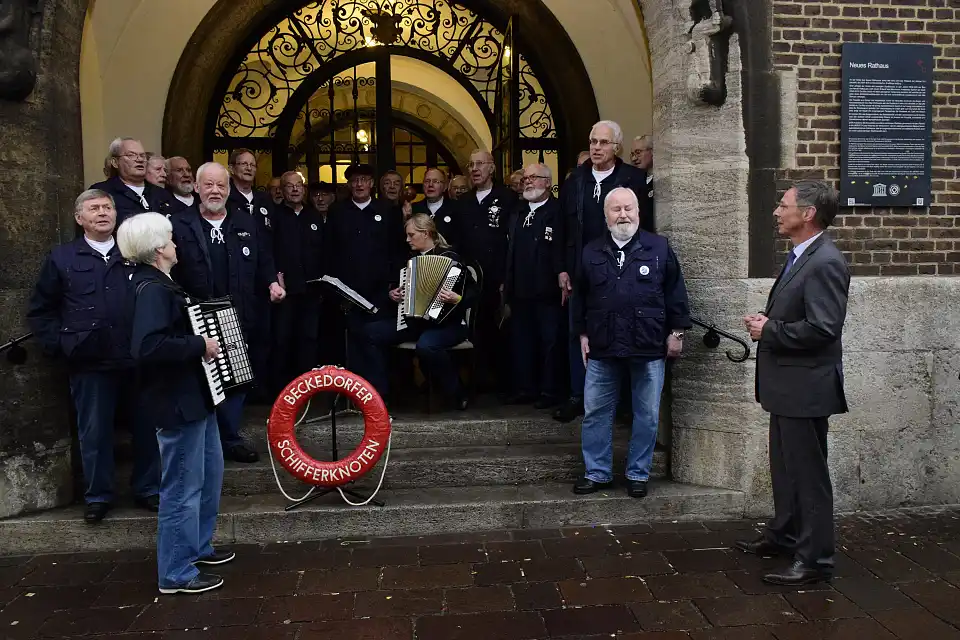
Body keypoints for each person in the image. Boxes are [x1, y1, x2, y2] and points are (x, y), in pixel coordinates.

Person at [737, 181, 850, 586]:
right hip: (787, 387)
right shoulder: (803, 255)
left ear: (808, 214)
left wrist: (770, 330)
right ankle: (784, 536)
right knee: (784, 470)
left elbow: (823, 329)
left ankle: (815, 560)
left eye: (783, 205)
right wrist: (770, 325)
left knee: (808, 475)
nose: (776, 211)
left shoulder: (826, 262)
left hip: (806, 389)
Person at [27, 190, 160, 523]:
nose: (103, 213)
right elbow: (42, 309)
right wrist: (59, 345)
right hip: (90, 362)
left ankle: (148, 489)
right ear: (79, 218)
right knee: (95, 432)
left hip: (136, 358)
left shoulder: (135, 252)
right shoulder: (62, 258)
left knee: (147, 428)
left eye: (108, 207)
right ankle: (99, 495)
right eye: (94, 208)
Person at [119, 212, 233, 595]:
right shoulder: (152, 289)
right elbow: (147, 347)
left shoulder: (162, 283)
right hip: (176, 402)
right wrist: (200, 344)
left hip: (195, 397)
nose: (175, 245)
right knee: (182, 486)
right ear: (156, 250)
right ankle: (175, 572)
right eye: (169, 240)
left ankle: (197, 547)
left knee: (207, 476)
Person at [571, 188, 690, 498]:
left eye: (628, 208)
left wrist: (677, 332)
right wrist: (582, 334)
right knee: (596, 412)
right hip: (602, 345)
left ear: (639, 211)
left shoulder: (659, 248)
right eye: (616, 209)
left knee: (647, 413)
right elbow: (579, 299)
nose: (623, 214)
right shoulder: (590, 251)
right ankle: (597, 473)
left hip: (648, 345)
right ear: (606, 215)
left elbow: (675, 293)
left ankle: (638, 474)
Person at [171, 162, 285, 463]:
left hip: (241, 313)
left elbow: (264, 259)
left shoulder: (246, 222)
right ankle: (206, 442)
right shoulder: (179, 225)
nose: (215, 191)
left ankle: (231, 439)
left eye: (221, 185)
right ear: (197, 188)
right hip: (196, 316)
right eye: (208, 184)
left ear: (229, 188)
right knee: (202, 381)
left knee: (237, 380)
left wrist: (272, 282)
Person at [554, 121, 654, 424]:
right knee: (577, 331)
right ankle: (578, 395)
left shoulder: (633, 178)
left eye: (603, 142)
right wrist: (562, 270)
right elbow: (563, 229)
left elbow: (646, 226)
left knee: (621, 330)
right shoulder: (575, 181)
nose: (597, 147)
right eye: (593, 141)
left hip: (622, 269)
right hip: (582, 269)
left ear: (616, 147)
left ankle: (621, 402)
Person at [352, 213, 476, 410]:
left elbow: (473, 293)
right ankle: (379, 396)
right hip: (416, 323)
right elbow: (405, 292)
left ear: (425, 233)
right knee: (369, 333)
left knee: (426, 346)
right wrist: (394, 295)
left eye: (411, 235)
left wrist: (457, 298)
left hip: (449, 324)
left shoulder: (452, 259)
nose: (407, 240)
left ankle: (455, 390)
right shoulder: (412, 260)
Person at [503, 163, 565, 408]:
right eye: (526, 178)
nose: (528, 182)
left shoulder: (557, 210)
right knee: (522, 342)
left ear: (548, 183)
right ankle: (525, 389)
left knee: (549, 343)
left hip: (547, 290)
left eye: (534, 178)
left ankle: (549, 391)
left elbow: (563, 247)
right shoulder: (517, 212)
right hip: (519, 290)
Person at [270, 171, 325, 392]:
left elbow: (323, 251)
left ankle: (307, 389)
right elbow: (268, 251)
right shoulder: (275, 216)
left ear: (303, 189)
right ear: (281, 191)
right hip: (286, 290)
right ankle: (282, 391)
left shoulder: (314, 216)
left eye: (298, 185)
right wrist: (274, 277)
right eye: (289, 186)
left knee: (309, 339)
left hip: (311, 289)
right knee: (283, 339)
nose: (294, 189)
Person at [90, 137, 174, 225]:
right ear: (115, 162)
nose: (140, 160)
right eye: (131, 155)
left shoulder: (161, 194)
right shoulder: (102, 192)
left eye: (142, 155)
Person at [411, 167, 462, 250]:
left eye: (435, 181)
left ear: (445, 187)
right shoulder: (414, 209)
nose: (430, 185)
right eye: (427, 181)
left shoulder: (456, 208)